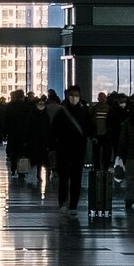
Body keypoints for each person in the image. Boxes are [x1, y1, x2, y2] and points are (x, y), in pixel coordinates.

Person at [48, 85, 91, 213]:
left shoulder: (83, 113)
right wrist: (51, 147)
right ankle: (63, 203)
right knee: (64, 178)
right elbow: (53, 131)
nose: (74, 98)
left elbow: (90, 129)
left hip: (77, 150)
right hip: (64, 150)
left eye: (76, 95)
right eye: (72, 95)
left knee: (76, 179)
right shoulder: (62, 113)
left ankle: (73, 206)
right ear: (68, 96)